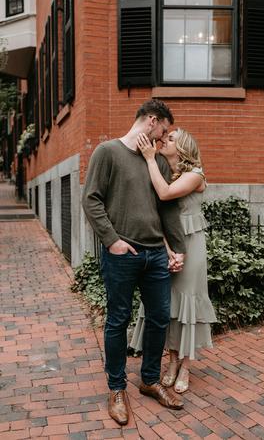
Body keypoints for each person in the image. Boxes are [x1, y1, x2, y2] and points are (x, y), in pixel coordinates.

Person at [82, 100, 186, 426]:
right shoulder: (108, 152)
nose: (164, 136)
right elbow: (91, 199)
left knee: (158, 318)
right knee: (118, 320)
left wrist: (176, 249)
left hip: (155, 254)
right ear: (151, 121)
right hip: (122, 255)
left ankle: (150, 380)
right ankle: (116, 388)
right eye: (163, 130)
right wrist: (112, 241)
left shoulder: (157, 161)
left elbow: (167, 207)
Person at [130, 128, 217, 393]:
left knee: (188, 302)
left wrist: (147, 159)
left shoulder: (195, 175)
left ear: (183, 148)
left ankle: (186, 366)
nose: (162, 141)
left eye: (170, 139)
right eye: (164, 138)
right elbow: (156, 215)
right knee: (166, 304)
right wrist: (168, 250)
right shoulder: (160, 170)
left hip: (192, 243)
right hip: (166, 243)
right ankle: (170, 362)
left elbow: (166, 193)